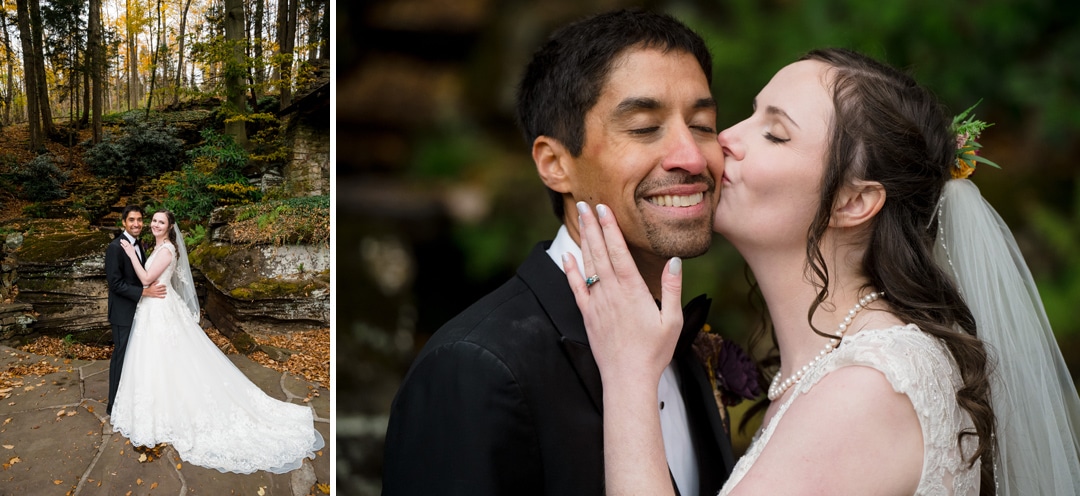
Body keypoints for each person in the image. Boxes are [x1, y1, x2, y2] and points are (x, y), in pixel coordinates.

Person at [565, 48, 1080, 495]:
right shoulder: (846, 368)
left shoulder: (872, 391)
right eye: (748, 115)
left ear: (854, 200)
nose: (722, 139)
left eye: (774, 134)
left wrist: (630, 374)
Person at [382, 9, 736, 495]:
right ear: (554, 164)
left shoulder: (686, 343)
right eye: (643, 127)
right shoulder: (474, 366)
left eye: (702, 124)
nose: (693, 157)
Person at [109, 210, 324, 474]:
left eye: (159, 222)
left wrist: (131, 256)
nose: (153, 224)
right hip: (154, 309)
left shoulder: (165, 250)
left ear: (169, 227)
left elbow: (145, 279)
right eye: (152, 220)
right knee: (159, 360)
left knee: (166, 358)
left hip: (160, 309)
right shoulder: (157, 247)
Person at [105, 205, 165, 415]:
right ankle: (113, 406)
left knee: (134, 357)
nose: (136, 224)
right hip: (122, 312)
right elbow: (115, 284)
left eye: (139, 220)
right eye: (132, 220)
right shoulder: (115, 247)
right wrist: (144, 293)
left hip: (140, 311)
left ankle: (130, 400)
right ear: (124, 222)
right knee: (120, 357)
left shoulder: (139, 244)